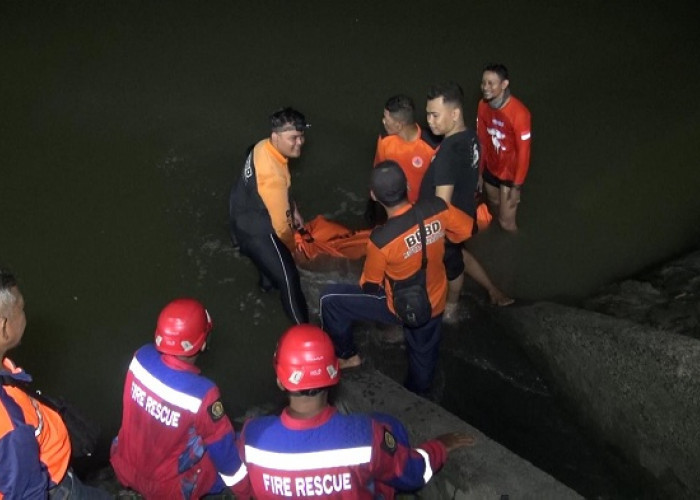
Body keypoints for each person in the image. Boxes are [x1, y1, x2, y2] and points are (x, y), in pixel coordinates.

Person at [234, 323, 475, 499]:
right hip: (368, 461)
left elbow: (241, 482)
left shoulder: (253, 435)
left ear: (280, 380)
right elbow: (414, 475)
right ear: (334, 376)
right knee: (389, 427)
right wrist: (439, 447)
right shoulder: (365, 435)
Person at [320, 162, 474, 396]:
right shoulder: (438, 208)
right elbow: (466, 230)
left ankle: (348, 357)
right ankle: (417, 397)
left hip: (397, 306)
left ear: (373, 196)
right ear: (408, 186)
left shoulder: (381, 240)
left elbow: (370, 285)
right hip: (434, 302)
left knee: (329, 299)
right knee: (423, 362)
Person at [110, 298, 248, 499]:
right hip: (165, 489)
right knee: (234, 442)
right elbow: (225, 454)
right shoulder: (203, 393)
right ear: (202, 344)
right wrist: (244, 491)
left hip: (123, 464)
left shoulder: (141, 356)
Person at [0, 268, 111, 498]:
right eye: (21, 308)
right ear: (3, 327)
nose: (25, 315)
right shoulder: (10, 425)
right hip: (56, 488)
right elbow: (28, 493)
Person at [420, 82, 513, 320]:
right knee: (459, 254)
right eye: (428, 114)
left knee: (453, 266)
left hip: (447, 225)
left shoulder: (448, 154)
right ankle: (493, 290)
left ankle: (451, 307)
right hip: (464, 212)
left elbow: (441, 205)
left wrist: (430, 233)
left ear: (455, 113)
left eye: (435, 115)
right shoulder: (470, 136)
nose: (430, 121)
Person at [229, 107, 310, 324]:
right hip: (256, 230)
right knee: (289, 278)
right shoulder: (271, 178)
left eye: (302, 136)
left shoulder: (262, 146)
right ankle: (304, 333)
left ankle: (266, 285)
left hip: (239, 211)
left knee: (269, 271)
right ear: (276, 136)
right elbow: (283, 229)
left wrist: (293, 208)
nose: (300, 142)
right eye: (293, 138)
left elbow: (249, 153)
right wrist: (292, 251)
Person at [477, 63, 532, 232]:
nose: (485, 87)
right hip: (491, 167)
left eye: (491, 83)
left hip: (510, 173)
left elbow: (524, 151)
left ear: (504, 84)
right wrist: (479, 172)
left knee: (506, 223)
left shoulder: (520, 113)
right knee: (493, 203)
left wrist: (517, 186)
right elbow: (481, 140)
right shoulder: (482, 106)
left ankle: (518, 245)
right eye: (483, 82)